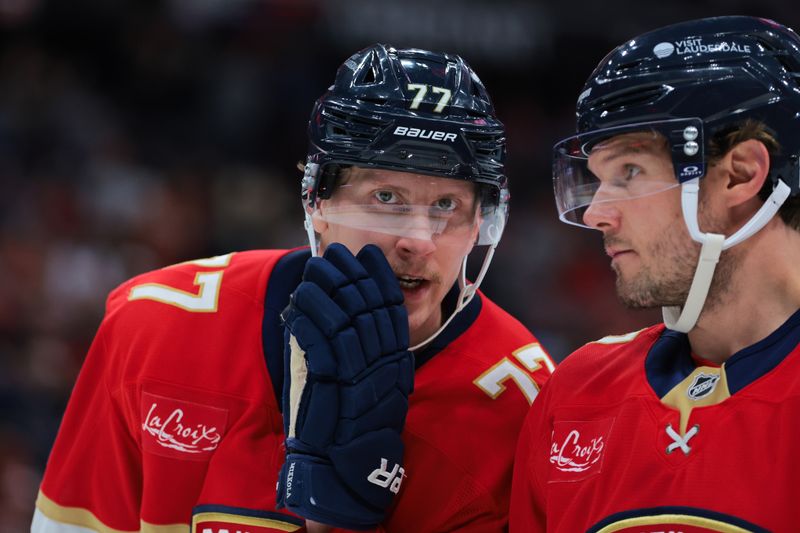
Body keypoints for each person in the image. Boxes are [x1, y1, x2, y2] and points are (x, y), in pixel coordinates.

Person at [33, 44, 553, 533]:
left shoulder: (522, 405)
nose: (418, 240)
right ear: (315, 203)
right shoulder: (151, 327)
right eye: (386, 195)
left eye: (447, 205)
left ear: (483, 222)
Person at [509, 15, 800, 532]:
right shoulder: (576, 390)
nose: (596, 213)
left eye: (630, 172)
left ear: (740, 175)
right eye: (598, 179)